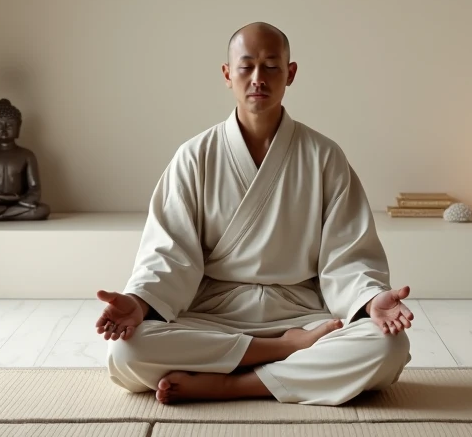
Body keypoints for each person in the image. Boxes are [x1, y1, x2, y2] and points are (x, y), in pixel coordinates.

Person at [95, 22, 412, 406]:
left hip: (301, 312)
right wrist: (141, 301)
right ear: (228, 75)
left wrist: (368, 298)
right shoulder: (194, 157)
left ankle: (231, 384)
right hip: (213, 314)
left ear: (290, 73)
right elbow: (169, 253)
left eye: (271, 66)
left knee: (387, 347)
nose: (258, 78)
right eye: (246, 66)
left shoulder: (324, 156)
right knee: (127, 352)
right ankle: (280, 354)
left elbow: (348, 253)